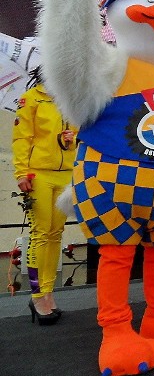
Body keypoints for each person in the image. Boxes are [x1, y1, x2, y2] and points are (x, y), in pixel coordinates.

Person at [12, 66, 77, 325]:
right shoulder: (31, 99)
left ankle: (48, 292)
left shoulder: (70, 102)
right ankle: (38, 295)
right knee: (41, 234)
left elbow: (78, 136)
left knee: (55, 234)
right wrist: (21, 172)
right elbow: (21, 138)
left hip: (65, 175)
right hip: (38, 174)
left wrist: (74, 137)